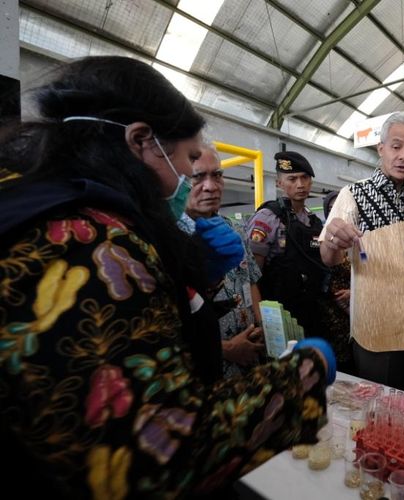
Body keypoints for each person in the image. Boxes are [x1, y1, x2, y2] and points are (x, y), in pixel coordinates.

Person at [0, 56, 334, 498]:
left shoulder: (37, 208)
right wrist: (304, 374)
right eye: (191, 160)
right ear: (141, 140)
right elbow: (156, 453)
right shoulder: (92, 247)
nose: (197, 180)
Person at [320, 111, 404, 393]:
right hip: (376, 332)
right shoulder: (354, 195)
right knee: (378, 413)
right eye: (396, 146)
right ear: (381, 148)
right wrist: (333, 242)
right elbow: (329, 258)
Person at [179, 143, 265, 377]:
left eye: (217, 175)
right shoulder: (171, 240)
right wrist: (225, 349)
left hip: (251, 357)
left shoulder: (235, 229)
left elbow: (251, 281)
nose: (211, 187)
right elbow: (171, 328)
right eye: (198, 177)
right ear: (181, 180)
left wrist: (261, 326)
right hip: (209, 368)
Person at [245, 151, 328, 339]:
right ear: (279, 183)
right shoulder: (267, 219)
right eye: (292, 179)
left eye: (305, 178)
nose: (300, 184)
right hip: (278, 315)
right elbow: (252, 277)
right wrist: (261, 322)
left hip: (310, 313)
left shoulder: (313, 222)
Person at [317, 191, 354, 373]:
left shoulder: (358, 238)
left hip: (355, 313)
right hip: (330, 314)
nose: (337, 213)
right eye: (331, 209)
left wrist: (355, 292)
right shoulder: (322, 239)